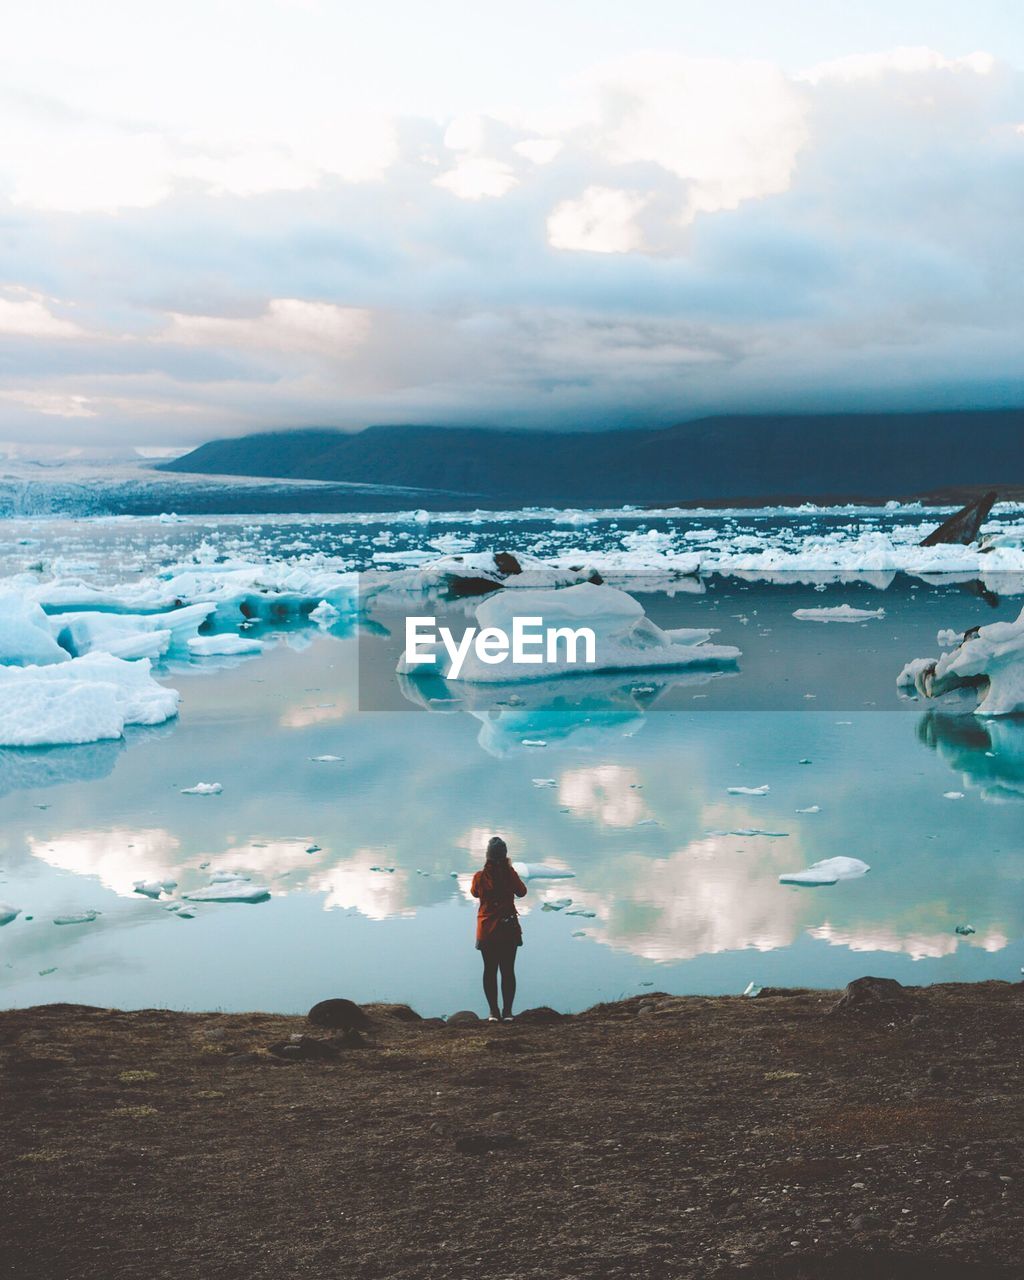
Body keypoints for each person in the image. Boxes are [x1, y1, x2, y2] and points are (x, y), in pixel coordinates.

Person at [470, 836, 527, 1022]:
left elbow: (474, 893)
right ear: (505, 856)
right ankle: (508, 1012)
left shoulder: (479, 877)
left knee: (489, 970)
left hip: (487, 930)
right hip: (507, 929)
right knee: (508, 970)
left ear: (487, 856)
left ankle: (493, 1013)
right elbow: (522, 892)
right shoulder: (510, 874)